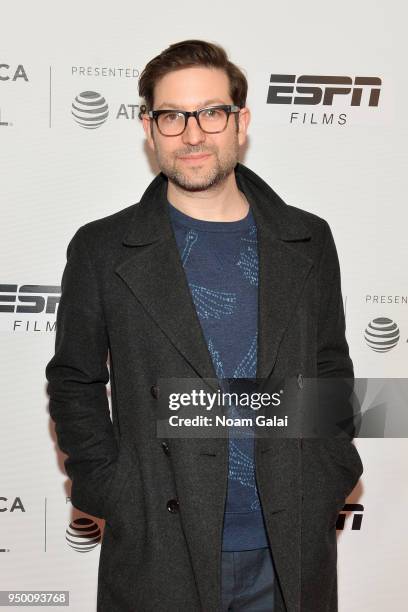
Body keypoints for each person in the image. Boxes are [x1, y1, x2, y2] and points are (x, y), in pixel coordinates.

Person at [45, 39, 363, 612]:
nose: (193, 135)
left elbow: (329, 368)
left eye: (211, 112)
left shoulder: (308, 239)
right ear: (149, 127)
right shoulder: (101, 248)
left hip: (287, 544)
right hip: (158, 545)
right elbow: (74, 380)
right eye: (173, 116)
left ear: (240, 121)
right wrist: (110, 489)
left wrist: (328, 473)